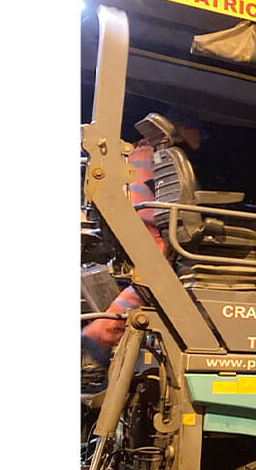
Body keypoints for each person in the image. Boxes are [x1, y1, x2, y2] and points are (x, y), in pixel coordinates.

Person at [81, 110, 205, 380]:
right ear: (184, 129)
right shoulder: (166, 156)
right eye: (199, 133)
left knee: (151, 275)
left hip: (135, 219)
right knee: (158, 274)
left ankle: (105, 332)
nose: (201, 139)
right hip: (150, 220)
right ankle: (101, 333)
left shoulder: (142, 150)